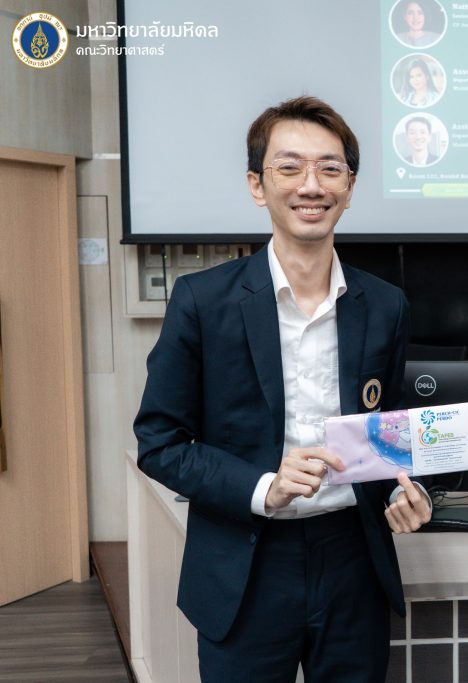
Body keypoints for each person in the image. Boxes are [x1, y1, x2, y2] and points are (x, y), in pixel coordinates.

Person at [134, 95, 432, 682]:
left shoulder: (384, 304)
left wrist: (410, 486)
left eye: (330, 168)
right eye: (289, 167)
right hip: (246, 560)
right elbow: (159, 443)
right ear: (257, 184)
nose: (311, 185)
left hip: (353, 559)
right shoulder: (203, 302)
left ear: (350, 187)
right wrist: (263, 487)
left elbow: (391, 428)